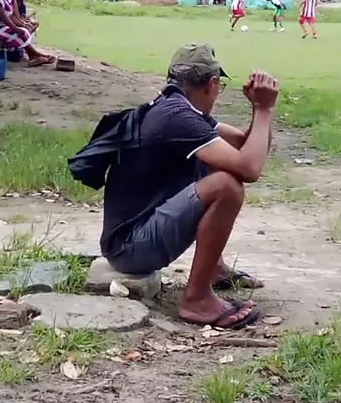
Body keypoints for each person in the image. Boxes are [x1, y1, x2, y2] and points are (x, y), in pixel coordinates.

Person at [100, 44, 279, 329]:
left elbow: (245, 146)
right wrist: (263, 108)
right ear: (211, 84)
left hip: (132, 240)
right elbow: (250, 168)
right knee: (226, 187)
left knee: (221, 166)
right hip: (130, 249)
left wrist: (259, 112)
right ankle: (196, 300)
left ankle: (214, 269)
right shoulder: (177, 117)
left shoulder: (177, 109)